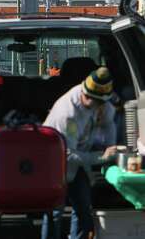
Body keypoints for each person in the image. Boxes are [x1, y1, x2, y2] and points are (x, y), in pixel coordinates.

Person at [41, 67, 118, 239]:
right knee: (54, 212)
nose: (91, 103)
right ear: (84, 89)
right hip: (54, 161)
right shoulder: (68, 114)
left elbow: (109, 122)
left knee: (83, 208)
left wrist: (110, 145)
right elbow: (67, 155)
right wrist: (103, 156)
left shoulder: (101, 103)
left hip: (80, 157)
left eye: (97, 101)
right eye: (89, 98)